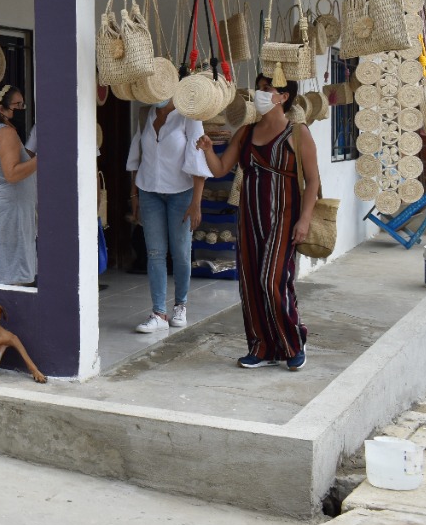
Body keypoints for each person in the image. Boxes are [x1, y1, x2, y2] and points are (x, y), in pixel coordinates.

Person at [197, 75, 318, 371]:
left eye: (267, 89)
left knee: (272, 280)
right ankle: (261, 347)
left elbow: (313, 180)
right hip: (249, 219)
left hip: (285, 219)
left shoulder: (297, 132)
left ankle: (293, 343)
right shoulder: (246, 132)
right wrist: (208, 149)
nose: (260, 93)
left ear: (284, 97)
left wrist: (304, 220)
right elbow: (220, 169)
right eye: (260, 88)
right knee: (251, 283)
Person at [126, 98, 210, 332]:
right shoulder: (146, 114)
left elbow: (198, 159)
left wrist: (196, 202)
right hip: (149, 192)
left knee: (181, 251)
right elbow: (136, 157)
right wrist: (134, 196)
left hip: (181, 194)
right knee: (154, 252)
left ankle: (180, 305)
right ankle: (159, 313)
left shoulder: (189, 116)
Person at [0, 84, 38, 285]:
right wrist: (42, 159)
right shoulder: (7, 134)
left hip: (2, 209)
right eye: (18, 105)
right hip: (10, 211)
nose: (22, 109)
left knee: (3, 270)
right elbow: (12, 174)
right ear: (1, 108)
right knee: (14, 273)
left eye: (23, 104)